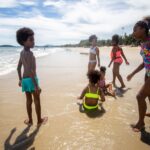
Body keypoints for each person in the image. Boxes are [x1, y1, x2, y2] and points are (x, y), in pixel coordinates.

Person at [17, 27, 48, 126]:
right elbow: (31, 71)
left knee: (28, 100)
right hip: (32, 80)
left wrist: (20, 80)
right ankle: (39, 120)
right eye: (31, 40)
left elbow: (18, 68)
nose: (33, 42)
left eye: (33, 39)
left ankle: (30, 120)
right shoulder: (30, 54)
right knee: (37, 100)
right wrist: (36, 85)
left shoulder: (21, 53)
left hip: (25, 80)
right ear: (23, 41)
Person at [127, 17, 150, 132]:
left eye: (135, 29)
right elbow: (145, 62)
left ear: (143, 29)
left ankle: (141, 123)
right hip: (148, 73)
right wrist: (132, 73)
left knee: (140, 96)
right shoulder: (143, 44)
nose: (133, 33)